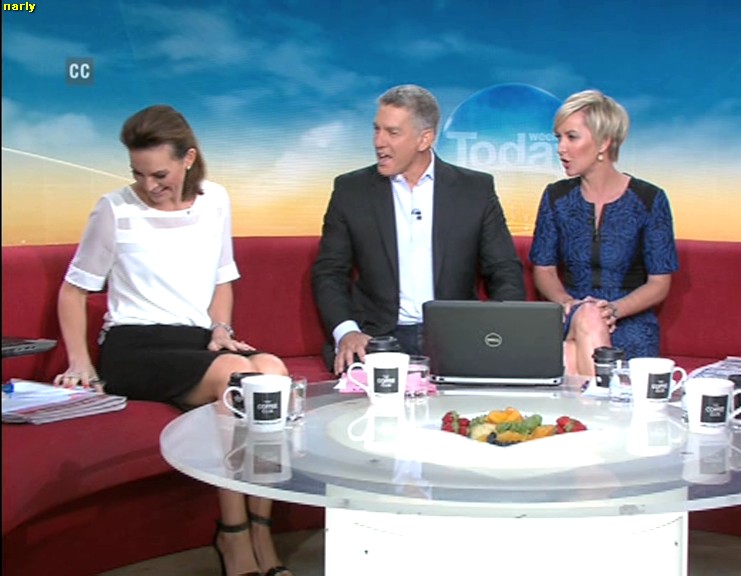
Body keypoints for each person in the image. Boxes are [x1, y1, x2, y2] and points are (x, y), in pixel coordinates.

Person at [54, 105, 294, 576]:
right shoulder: (114, 209)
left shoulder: (215, 200)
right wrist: (80, 362)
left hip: (197, 341)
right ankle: (233, 536)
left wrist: (221, 330)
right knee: (239, 378)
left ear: (188, 159)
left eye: (159, 174)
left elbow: (223, 279)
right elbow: (73, 290)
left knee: (274, 375)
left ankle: (262, 529)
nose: (149, 185)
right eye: (138, 174)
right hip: (133, 346)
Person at [312, 84, 526, 372]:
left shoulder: (475, 190)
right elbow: (329, 272)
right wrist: (347, 332)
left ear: (425, 139)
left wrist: (497, 332)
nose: (379, 142)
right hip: (376, 338)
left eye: (392, 132)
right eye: (376, 130)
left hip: (455, 335)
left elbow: (504, 270)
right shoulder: (351, 190)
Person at [529, 89, 678, 375]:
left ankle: (592, 396)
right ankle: (605, 395)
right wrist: (568, 303)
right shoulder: (555, 197)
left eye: (571, 137)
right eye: (558, 138)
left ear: (604, 143)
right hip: (569, 312)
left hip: (628, 318)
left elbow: (659, 283)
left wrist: (612, 310)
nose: (561, 148)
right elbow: (544, 270)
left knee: (568, 355)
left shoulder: (649, 199)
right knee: (586, 317)